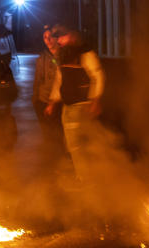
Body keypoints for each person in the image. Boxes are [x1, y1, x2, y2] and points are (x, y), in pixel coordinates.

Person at [45, 27, 105, 182]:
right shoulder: (63, 56)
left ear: (71, 36)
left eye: (61, 37)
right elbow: (60, 80)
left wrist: (95, 100)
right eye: (57, 38)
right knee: (74, 144)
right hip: (68, 106)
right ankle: (85, 175)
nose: (58, 41)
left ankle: (86, 178)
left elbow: (97, 75)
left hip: (81, 106)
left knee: (78, 145)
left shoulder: (85, 53)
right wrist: (53, 102)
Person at [32, 25, 65, 158]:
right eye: (45, 38)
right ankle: (51, 160)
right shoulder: (42, 58)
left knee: (59, 132)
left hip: (60, 101)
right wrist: (35, 99)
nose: (48, 40)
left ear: (57, 38)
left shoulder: (64, 55)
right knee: (47, 133)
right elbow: (38, 80)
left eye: (50, 37)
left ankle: (60, 159)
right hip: (43, 100)